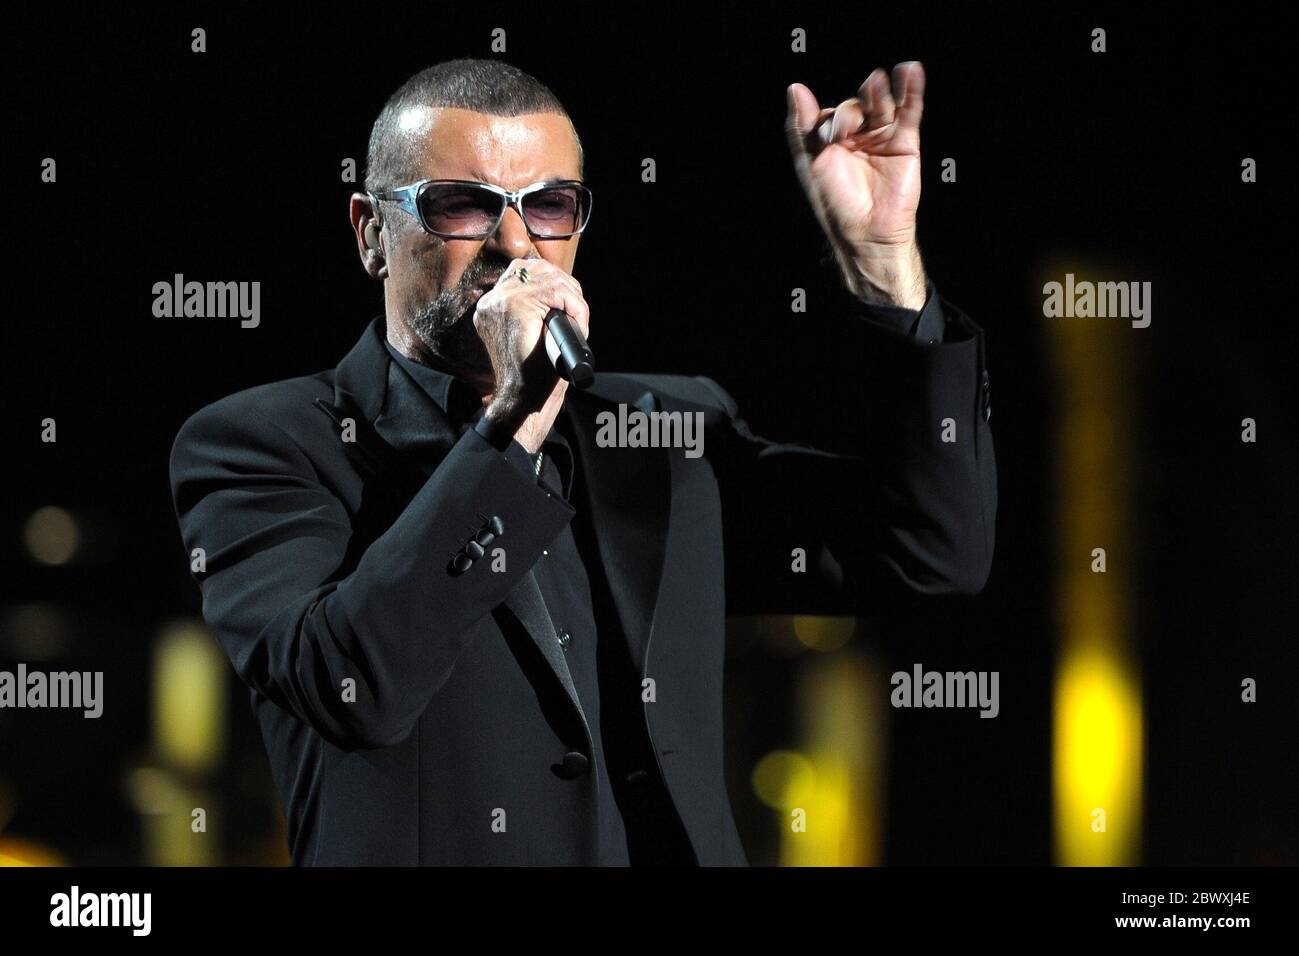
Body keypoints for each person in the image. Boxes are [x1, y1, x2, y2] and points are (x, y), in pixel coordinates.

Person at [168, 57, 996, 865]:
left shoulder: (666, 431)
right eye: (463, 206)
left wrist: (885, 266)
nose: (515, 240)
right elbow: (349, 687)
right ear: (371, 234)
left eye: (550, 204)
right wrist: (513, 418)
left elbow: (929, 555)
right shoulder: (266, 445)